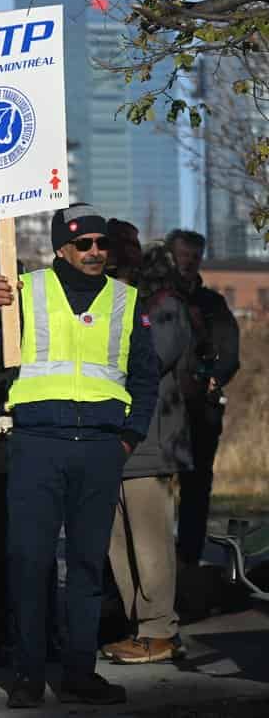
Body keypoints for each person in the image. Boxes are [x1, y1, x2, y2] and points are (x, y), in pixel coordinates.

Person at [0, 205, 158, 708]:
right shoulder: (24, 290)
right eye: (84, 245)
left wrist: (128, 437)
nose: (95, 252)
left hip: (101, 447)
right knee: (30, 563)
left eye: (101, 244)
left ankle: (80, 673)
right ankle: (27, 675)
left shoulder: (126, 300)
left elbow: (145, 375)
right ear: (61, 247)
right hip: (39, 445)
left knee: (86, 565)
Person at [103, 243, 195, 664]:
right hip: (117, 444)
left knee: (150, 542)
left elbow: (150, 360)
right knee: (118, 544)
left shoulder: (165, 309)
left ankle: (159, 628)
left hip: (151, 445)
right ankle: (139, 625)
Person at [165, 229, 240, 567]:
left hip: (201, 411)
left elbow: (230, 352)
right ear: (170, 256)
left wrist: (215, 377)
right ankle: (158, 563)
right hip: (162, 412)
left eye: (194, 256)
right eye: (183, 255)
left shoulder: (212, 305)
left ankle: (189, 561)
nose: (189, 262)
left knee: (196, 490)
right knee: (156, 489)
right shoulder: (156, 299)